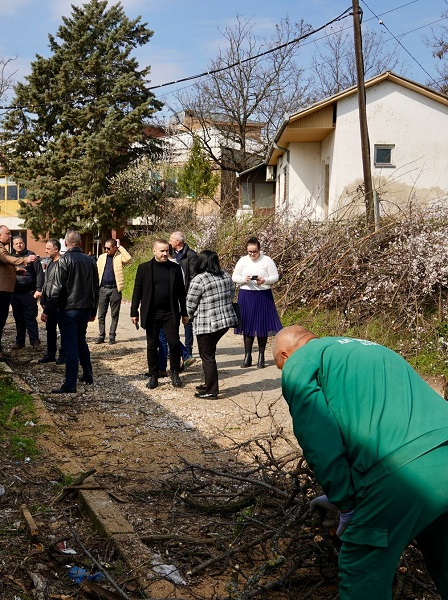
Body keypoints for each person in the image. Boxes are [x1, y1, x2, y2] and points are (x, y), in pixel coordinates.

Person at [273, 325, 448, 599]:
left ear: (285, 355)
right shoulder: (370, 348)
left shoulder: (300, 361)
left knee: (362, 565)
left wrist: (344, 503)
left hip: (404, 472)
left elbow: (318, 437)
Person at [42, 230, 98, 393]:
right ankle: (88, 375)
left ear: (65, 244)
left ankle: (70, 384)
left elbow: (56, 289)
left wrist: (47, 309)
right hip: (84, 309)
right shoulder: (90, 261)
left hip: (69, 309)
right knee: (81, 341)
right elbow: (95, 287)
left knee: (71, 345)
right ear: (80, 243)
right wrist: (93, 310)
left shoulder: (64, 261)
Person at [130, 238, 189, 389]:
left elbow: (182, 293)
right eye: (161, 251)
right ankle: (154, 375)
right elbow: (137, 291)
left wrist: (184, 313)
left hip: (170, 312)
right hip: (151, 312)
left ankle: (175, 372)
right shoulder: (144, 268)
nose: (164, 254)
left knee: (174, 342)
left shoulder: (174, 269)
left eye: (166, 251)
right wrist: (134, 311)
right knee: (152, 345)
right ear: (154, 251)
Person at [185, 250, 238, 399]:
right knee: (209, 353)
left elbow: (190, 303)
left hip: (207, 324)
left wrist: (189, 317)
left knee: (207, 356)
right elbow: (232, 294)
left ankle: (211, 391)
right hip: (225, 322)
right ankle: (209, 383)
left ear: (201, 262)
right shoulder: (225, 275)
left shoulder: (199, 279)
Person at [0, 225, 36, 359]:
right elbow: (7, 259)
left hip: (2, 288)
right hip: (0, 289)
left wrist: (17, 270)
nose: (10, 236)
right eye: (7, 234)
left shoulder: (0, 247)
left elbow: (1, 267)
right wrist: (25, 260)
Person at [232, 237, 282, 368]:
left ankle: (261, 356)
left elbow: (275, 277)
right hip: (246, 294)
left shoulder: (267, 260)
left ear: (259, 250)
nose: (252, 254)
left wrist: (264, 280)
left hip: (263, 294)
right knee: (247, 325)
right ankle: (247, 356)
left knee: (261, 326)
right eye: (250, 252)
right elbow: (234, 277)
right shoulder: (243, 260)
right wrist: (244, 279)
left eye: (255, 252)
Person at [94, 238, 133, 345]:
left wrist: (120, 247)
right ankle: (101, 335)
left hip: (115, 289)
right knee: (101, 314)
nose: (106, 250)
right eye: (105, 248)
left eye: (108, 248)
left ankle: (112, 336)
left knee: (114, 315)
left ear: (114, 248)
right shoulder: (102, 257)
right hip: (103, 289)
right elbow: (96, 271)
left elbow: (129, 258)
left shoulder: (119, 257)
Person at [169, 231, 199, 368]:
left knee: (187, 323)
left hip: (186, 294)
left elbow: (193, 276)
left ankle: (188, 350)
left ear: (178, 242)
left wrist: (190, 295)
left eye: (171, 239)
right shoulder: (171, 254)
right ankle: (176, 349)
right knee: (173, 324)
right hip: (173, 295)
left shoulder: (191, 255)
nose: (169, 242)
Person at [9, 236, 42, 350]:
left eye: (21, 243)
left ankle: (35, 342)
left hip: (29, 293)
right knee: (18, 318)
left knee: (30, 318)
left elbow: (39, 274)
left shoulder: (32, 256)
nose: (19, 245)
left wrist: (38, 289)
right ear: (13, 246)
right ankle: (20, 342)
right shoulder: (10, 257)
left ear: (24, 244)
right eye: (16, 243)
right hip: (14, 293)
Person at [36, 238, 63, 364]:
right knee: (50, 330)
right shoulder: (50, 262)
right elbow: (47, 283)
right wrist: (43, 299)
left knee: (63, 331)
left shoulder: (62, 263)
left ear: (56, 249)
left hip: (60, 305)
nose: (46, 251)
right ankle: (50, 354)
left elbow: (58, 288)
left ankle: (63, 355)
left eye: (48, 248)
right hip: (49, 304)